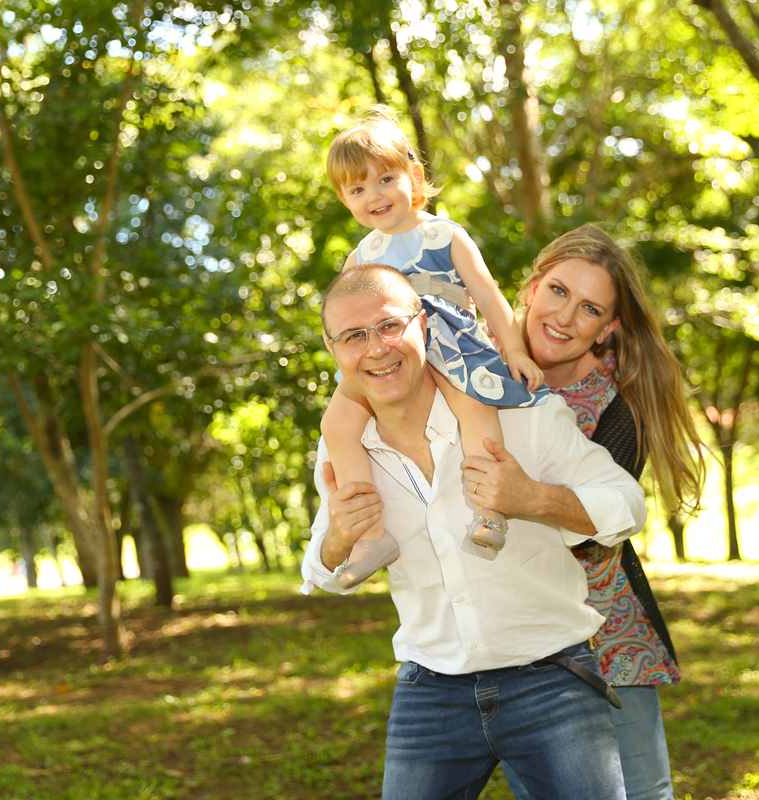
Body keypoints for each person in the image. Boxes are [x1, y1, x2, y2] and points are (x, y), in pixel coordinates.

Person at [301, 264, 648, 800]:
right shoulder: (344, 451)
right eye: (353, 336)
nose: (375, 349)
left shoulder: (522, 415)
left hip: (551, 680)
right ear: (332, 348)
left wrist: (532, 497)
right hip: (430, 692)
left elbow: (627, 504)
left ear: (424, 324)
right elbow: (321, 572)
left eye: (390, 326)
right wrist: (338, 540)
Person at [466, 224, 706, 800]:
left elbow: (597, 531)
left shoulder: (617, 409)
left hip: (605, 630)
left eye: (590, 308)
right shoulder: (466, 369)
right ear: (530, 287)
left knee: (641, 791)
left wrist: (529, 496)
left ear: (609, 328)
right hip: (502, 631)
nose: (565, 317)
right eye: (557, 291)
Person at [320, 106, 547, 588]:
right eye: (357, 189)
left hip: (452, 344)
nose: (373, 196)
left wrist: (516, 351)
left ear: (413, 175)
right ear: (344, 199)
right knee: (336, 421)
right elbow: (350, 319)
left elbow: (487, 295)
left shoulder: (444, 234)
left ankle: (491, 510)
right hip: (392, 353)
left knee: (475, 409)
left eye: (384, 179)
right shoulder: (361, 256)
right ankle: (370, 535)